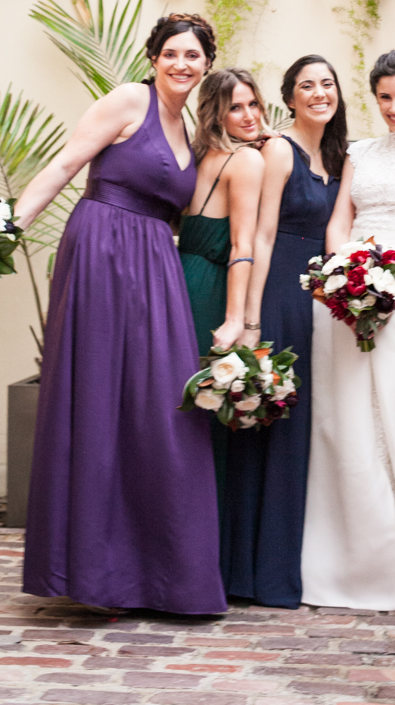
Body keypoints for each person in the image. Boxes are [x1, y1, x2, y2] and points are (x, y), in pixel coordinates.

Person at [18, 13, 227, 615]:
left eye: (192, 56)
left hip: (156, 263)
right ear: (153, 57)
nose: (181, 64)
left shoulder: (189, 127)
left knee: (158, 405)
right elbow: (63, 165)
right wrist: (6, 228)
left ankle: (154, 572)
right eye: (171, 54)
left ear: (206, 64)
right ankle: (99, 575)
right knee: (101, 398)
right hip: (102, 250)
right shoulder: (129, 100)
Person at [301, 49, 395, 613]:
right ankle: (351, 563)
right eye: (385, 98)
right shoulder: (358, 153)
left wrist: (393, 289)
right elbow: (341, 217)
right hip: (346, 294)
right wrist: (344, 273)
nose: (394, 108)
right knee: (347, 422)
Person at [221, 55, 345, 607]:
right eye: (306, 86)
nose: (319, 93)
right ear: (289, 98)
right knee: (262, 429)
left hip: (316, 303)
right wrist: (250, 322)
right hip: (275, 299)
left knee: (295, 436)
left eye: (327, 83)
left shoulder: (338, 157)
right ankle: (242, 572)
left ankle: (278, 567)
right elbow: (259, 237)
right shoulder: (278, 150)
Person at [178, 68, 267, 509]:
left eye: (253, 104)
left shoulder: (196, 158)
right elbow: (241, 246)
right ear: (216, 112)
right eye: (236, 107)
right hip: (210, 292)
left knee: (182, 414)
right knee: (207, 415)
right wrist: (236, 319)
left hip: (176, 284)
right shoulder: (246, 161)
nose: (249, 115)